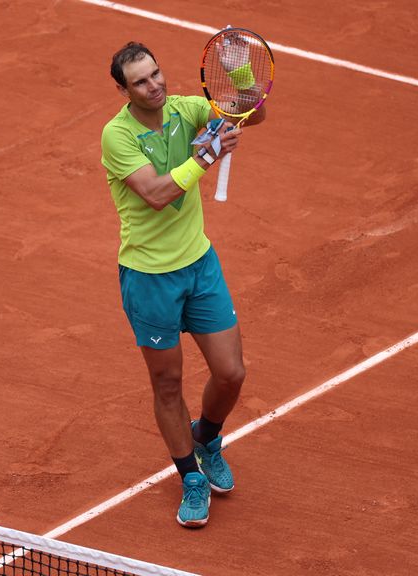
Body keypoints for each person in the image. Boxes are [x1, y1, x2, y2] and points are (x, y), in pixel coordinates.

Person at [100, 41, 266, 528]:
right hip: (149, 276)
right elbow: (155, 193)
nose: (154, 85)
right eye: (141, 81)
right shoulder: (117, 136)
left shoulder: (187, 108)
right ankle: (190, 476)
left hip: (198, 264)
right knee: (167, 382)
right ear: (123, 90)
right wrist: (206, 157)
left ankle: (207, 436)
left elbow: (251, 113)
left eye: (156, 74)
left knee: (231, 373)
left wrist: (239, 75)